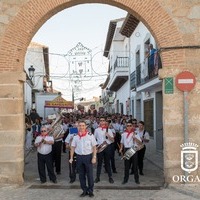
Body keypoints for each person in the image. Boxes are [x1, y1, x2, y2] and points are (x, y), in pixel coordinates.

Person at [69, 120, 97, 197]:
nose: (81, 127)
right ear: (78, 127)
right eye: (80, 126)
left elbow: (94, 147)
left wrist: (94, 157)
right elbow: (72, 147)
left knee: (90, 175)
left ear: (85, 126)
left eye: (83, 126)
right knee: (81, 175)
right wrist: (71, 157)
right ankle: (84, 190)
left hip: (88, 157)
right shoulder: (75, 136)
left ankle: (90, 190)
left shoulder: (90, 135)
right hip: (79, 157)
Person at [94, 116, 114, 184]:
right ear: (99, 121)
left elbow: (113, 140)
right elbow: (94, 139)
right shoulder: (96, 130)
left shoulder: (109, 130)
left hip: (107, 147)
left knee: (107, 163)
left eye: (103, 120)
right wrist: (96, 147)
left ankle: (110, 177)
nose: (102, 122)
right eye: (101, 120)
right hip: (100, 147)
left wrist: (108, 135)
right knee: (99, 163)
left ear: (105, 122)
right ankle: (97, 177)